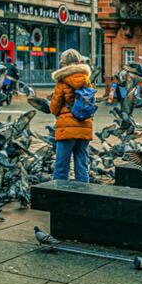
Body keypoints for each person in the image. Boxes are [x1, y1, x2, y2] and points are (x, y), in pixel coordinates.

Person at [49, 49, 94, 183]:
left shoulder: (62, 82)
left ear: (63, 64)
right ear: (79, 62)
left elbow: (54, 108)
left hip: (66, 129)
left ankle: (60, 196)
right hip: (85, 126)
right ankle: (83, 196)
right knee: (82, 166)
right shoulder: (86, 80)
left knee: (61, 166)